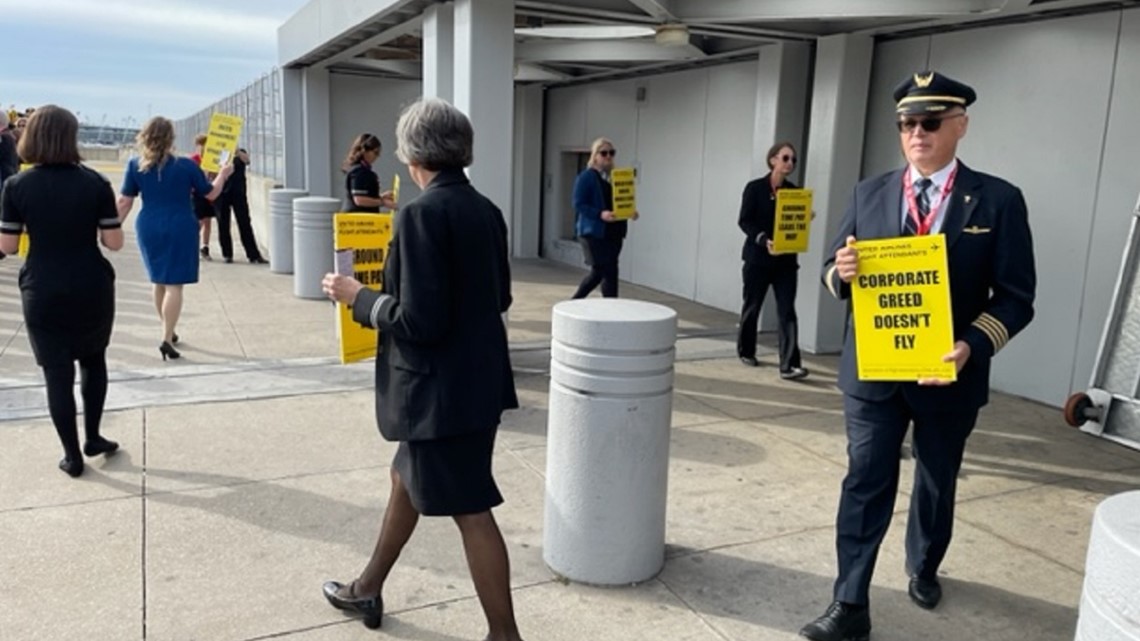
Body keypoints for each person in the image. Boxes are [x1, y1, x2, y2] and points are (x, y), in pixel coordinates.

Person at [800, 71, 1036, 641]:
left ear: (961, 126)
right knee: (864, 480)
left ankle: (924, 564)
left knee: (936, 481)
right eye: (908, 123)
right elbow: (833, 268)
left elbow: (1016, 298)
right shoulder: (869, 192)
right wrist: (843, 273)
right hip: (875, 373)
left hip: (948, 374)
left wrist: (972, 346)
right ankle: (849, 601)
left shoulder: (998, 200)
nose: (918, 134)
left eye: (931, 122)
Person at [320, 98, 524, 641]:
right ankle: (367, 586)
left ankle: (505, 635)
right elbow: (499, 296)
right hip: (475, 384)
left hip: (438, 395)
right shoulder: (486, 210)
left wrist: (358, 296)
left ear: (414, 154)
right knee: (403, 479)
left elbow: (420, 320)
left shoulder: (418, 214)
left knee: (472, 510)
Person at [0, 105, 124, 477]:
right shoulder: (95, 182)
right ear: (71, 136)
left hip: (42, 285)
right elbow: (114, 242)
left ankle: (72, 456)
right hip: (90, 283)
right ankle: (94, 436)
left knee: (56, 373)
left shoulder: (16, 186)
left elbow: (7, 245)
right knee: (93, 361)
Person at [116, 117, 232, 361]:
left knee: (158, 280)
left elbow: (125, 201)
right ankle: (167, 337)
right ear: (171, 138)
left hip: (149, 224)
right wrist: (223, 174)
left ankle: (168, 329)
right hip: (181, 224)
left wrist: (111, 228)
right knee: (174, 285)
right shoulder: (186, 165)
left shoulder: (135, 164)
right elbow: (211, 193)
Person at [736, 141, 809, 380]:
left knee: (787, 310)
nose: (790, 163)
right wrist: (762, 239)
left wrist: (805, 219)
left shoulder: (795, 193)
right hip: (758, 259)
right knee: (752, 306)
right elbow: (744, 220)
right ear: (773, 160)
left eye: (793, 160)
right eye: (786, 158)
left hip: (785, 263)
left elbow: (793, 225)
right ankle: (746, 350)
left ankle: (790, 364)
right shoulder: (755, 188)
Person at [571, 137, 638, 299]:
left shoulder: (616, 177)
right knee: (599, 271)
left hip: (614, 231)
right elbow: (578, 203)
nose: (608, 156)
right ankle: (573, 303)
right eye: (604, 153)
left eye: (611, 153)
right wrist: (599, 214)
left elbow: (621, 200)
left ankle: (611, 308)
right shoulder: (586, 177)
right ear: (595, 156)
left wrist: (629, 211)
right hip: (593, 232)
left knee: (611, 272)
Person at [214, 148, 267, 264]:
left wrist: (236, 152)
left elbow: (247, 161)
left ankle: (253, 254)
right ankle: (227, 254)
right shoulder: (218, 151)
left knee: (244, 222)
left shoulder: (240, 153)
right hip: (222, 193)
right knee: (223, 223)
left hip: (238, 192)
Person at [340, 133, 395, 213]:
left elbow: (363, 197)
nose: (377, 156)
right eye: (375, 152)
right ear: (364, 151)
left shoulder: (358, 170)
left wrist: (380, 197)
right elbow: (359, 200)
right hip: (358, 221)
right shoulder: (359, 172)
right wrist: (383, 202)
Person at [188, 133, 217, 260]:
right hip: (197, 193)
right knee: (198, 221)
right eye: (201, 145)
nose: (203, 148)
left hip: (208, 192)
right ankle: (190, 245)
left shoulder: (211, 159)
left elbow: (215, 175)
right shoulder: (194, 159)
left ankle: (205, 247)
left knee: (207, 221)